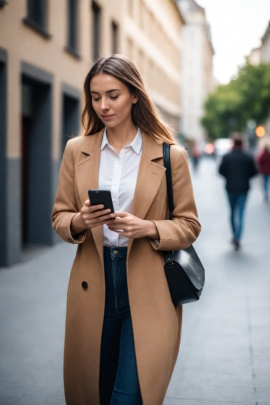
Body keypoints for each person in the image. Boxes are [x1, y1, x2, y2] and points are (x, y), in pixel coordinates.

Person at [51, 54, 201, 405]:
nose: (103, 105)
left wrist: (147, 227)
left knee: (129, 397)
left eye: (113, 95)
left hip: (149, 286)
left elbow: (190, 225)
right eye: (95, 96)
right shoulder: (77, 151)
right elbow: (59, 217)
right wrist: (80, 221)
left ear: (135, 95)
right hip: (94, 283)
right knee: (95, 392)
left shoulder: (169, 156)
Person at [219, 135, 258, 250]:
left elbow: (220, 171)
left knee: (232, 212)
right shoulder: (248, 157)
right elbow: (255, 172)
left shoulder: (227, 156)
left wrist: (229, 176)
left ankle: (234, 235)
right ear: (242, 144)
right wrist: (246, 177)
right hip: (243, 188)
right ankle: (238, 237)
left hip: (230, 188)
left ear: (233, 144)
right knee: (240, 213)